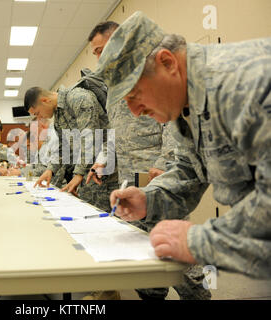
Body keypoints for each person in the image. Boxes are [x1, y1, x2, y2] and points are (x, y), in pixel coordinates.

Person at [97, 11, 271, 278]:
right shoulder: (186, 103)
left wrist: (199, 241)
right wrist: (149, 200)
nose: (133, 111)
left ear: (167, 62)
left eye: (134, 95)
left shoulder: (246, 83)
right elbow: (189, 171)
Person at [82, 20, 210, 301]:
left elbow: (172, 126)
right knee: (145, 261)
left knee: (182, 264)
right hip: (135, 182)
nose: (100, 59)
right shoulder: (115, 90)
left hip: (158, 174)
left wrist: (164, 164)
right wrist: (103, 160)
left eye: (102, 50)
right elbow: (113, 134)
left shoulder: (152, 78)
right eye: (96, 54)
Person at [24, 86, 118, 213]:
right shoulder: (58, 114)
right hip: (87, 171)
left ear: (45, 100)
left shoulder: (78, 98)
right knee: (88, 213)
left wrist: (78, 173)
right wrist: (50, 169)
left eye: (37, 113)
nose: (40, 118)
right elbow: (64, 147)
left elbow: (90, 138)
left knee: (105, 216)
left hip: (106, 169)